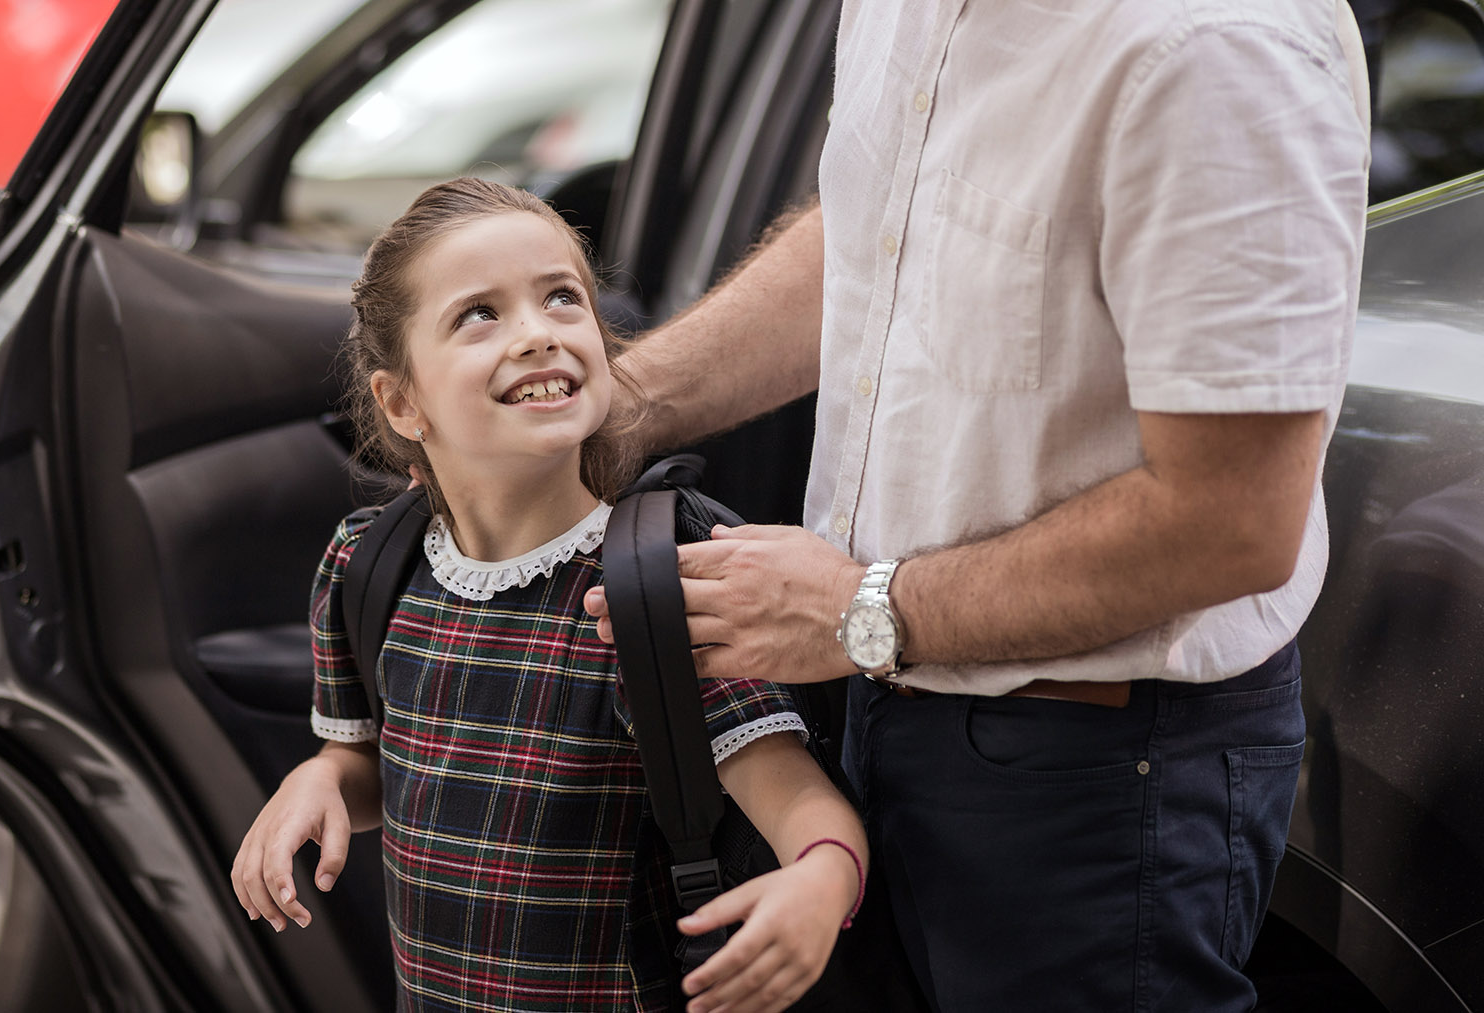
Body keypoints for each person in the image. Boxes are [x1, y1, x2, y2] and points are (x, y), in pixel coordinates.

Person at [582, 1, 1373, 1010]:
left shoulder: (1219, 50)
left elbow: (1230, 520)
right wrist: (624, 409)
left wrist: (861, 610)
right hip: (885, 707)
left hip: (1096, 771)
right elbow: (880, 230)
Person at [229, 177, 868, 1013]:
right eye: (479, 314)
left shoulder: (657, 582)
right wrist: (318, 780)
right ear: (401, 400)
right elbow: (366, 763)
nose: (537, 334)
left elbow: (805, 807)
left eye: (563, 298)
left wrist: (820, 880)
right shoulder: (368, 566)